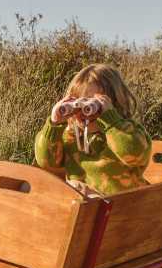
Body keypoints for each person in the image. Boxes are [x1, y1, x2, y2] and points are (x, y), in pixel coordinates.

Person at [33, 64, 151, 196]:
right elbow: (46, 162)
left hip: (123, 207)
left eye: (93, 105)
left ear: (114, 104)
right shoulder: (70, 135)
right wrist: (54, 125)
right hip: (84, 207)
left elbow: (133, 153)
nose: (85, 112)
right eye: (78, 105)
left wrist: (111, 121)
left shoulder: (128, 131)